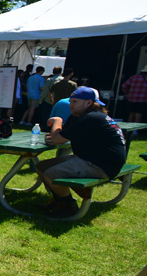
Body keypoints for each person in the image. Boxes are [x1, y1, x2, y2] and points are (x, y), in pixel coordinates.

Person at [36, 86, 127, 218]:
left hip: (101, 165)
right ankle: (59, 201)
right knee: (41, 167)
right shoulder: (83, 116)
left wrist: (57, 121)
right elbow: (62, 135)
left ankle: (69, 206)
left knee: (51, 173)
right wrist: (56, 136)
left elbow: (57, 139)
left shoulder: (92, 118)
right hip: (90, 159)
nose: (70, 105)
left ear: (88, 103)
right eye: (70, 101)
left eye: (75, 102)